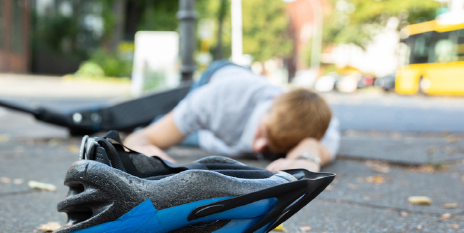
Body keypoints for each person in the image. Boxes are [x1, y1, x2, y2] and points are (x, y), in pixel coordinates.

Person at [124, 61, 340, 172]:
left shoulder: (318, 122)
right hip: (219, 78)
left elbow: (314, 146)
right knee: (149, 123)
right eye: (262, 133)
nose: (257, 148)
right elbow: (142, 139)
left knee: (189, 136)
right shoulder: (218, 99)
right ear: (273, 103)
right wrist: (141, 148)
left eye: (269, 148)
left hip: (209, 135)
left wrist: (306, 160)